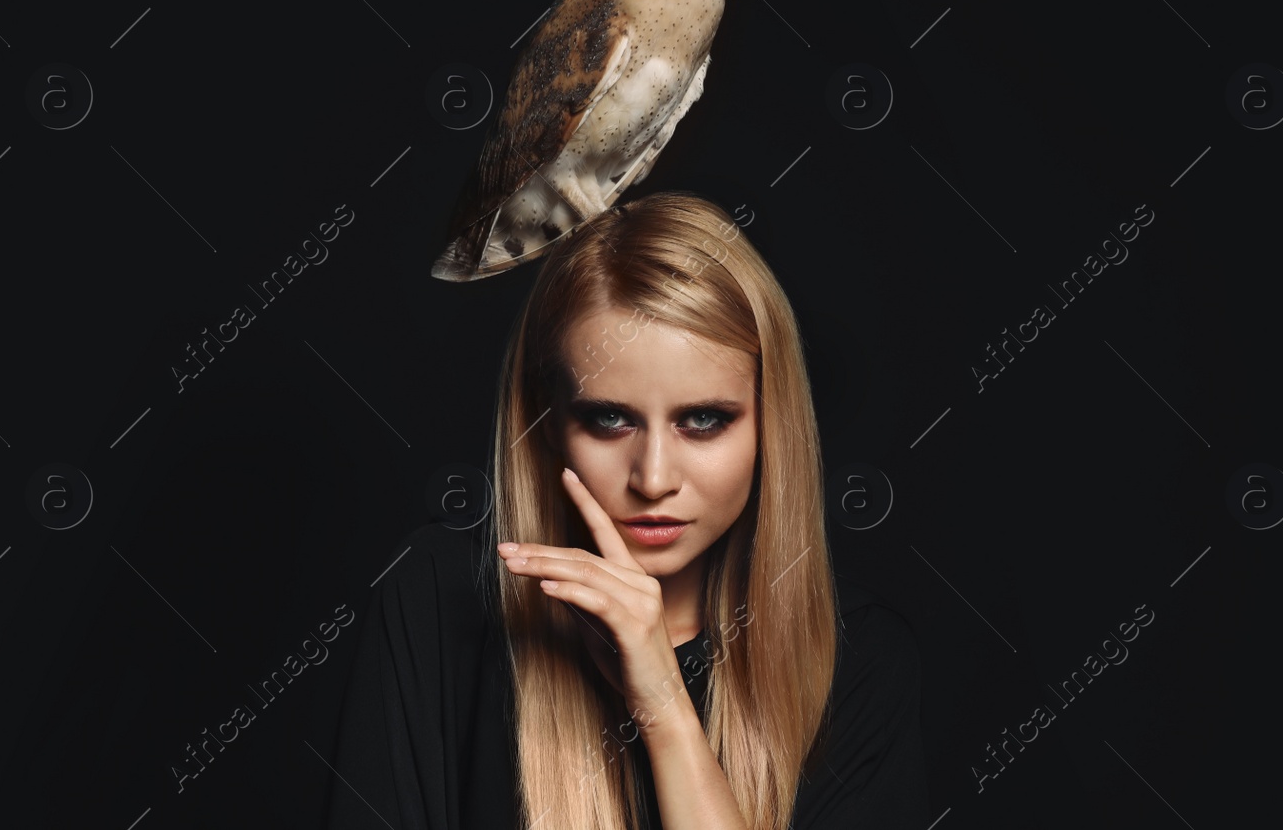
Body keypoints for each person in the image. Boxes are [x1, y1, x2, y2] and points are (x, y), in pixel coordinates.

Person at [323, 191, 927, 829]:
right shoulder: (440, 598)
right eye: (608, 419)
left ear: (770, 424)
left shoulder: (859, 659)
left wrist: (664, 707)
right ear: (547, 419)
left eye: (704, 420)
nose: (654, 478)